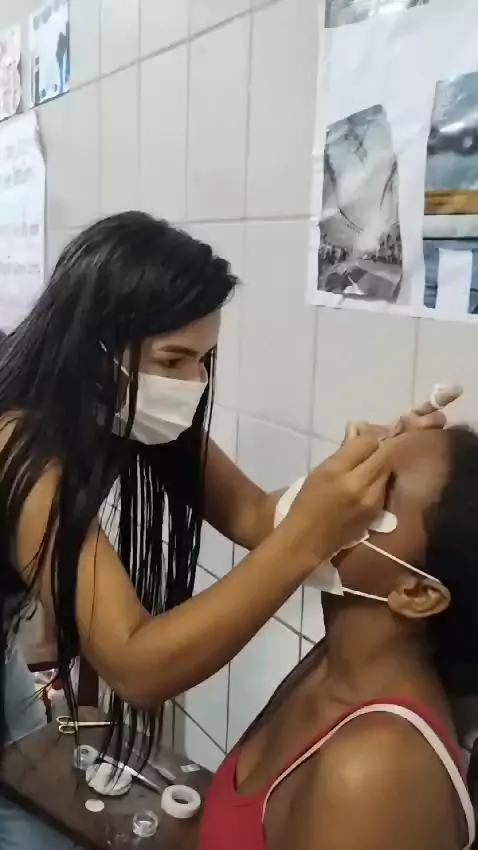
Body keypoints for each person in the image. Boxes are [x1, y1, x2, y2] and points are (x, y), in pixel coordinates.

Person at [0, 212, 454, 848]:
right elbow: (135, 663)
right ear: (94, 346)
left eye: (204, 360)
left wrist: (348, 477)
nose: (193, 384)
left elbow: (253, 514)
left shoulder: (135, 404)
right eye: (173, 360)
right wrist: (309, 535)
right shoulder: (17, 439)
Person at [199, 425, 478, 850]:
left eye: (381, 486)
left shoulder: (373, 770)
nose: (338, 486)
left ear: (417, 594)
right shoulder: (332, 662)